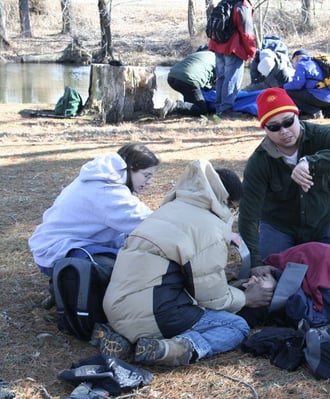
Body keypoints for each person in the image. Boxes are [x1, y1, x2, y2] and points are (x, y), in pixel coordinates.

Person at [101, 160, 274, 366]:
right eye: (234, 208)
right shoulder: (209, 227)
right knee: (236, 327)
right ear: (227, 201)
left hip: (115, 309)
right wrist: (245, 298)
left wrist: (232, 287)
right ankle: (174, 348)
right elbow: (212, 298)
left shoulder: (171, 209)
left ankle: (123, 340)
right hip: (152, 315)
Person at [237, 87, 330, 268]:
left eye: (288, 122)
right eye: (274, 127)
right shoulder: (259, 162)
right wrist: (255, 265)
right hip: (279, 227)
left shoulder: (320, 135)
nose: (284, 131)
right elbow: (248, 216)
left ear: (297, 116)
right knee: (273, 272)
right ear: (265, 129)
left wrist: (311, 162)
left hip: (322, 222)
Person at [28, 143, 159, 278]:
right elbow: (148, 223)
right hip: (59, 251)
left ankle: (68, 287)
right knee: (130, 269)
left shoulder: (102, 179)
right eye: (146, 175)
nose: (149, 182)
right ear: (131, 168)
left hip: (60, 245)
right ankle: (71, 290)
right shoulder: (107, 190)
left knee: (131, 251)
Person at [208, 0, 256, 119]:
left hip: (217, 45)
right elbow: (246, 33)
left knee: (221, 78)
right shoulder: (242, 5)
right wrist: (251, 51)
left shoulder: (224, 2)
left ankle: (219, 108)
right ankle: (226, 110)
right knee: (232, 79)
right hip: (233, 48)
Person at [283, 49, 330, 120]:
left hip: (318, 98)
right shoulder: (316, 62)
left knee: (288, 93)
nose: (293, 65)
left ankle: (308, 114)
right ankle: (329, 111)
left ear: (296, 57)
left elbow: (297, 85)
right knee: (308, 92)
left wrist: (283, 87)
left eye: (292, 61)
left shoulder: (302, 63)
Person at [160, 45, 216, 119]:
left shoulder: (197, 54)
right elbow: (215, 82)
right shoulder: (217, 58)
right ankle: (175, 105)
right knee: (202, 110)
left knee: (191, 101)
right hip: (188, 80)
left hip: (171, 77)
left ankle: (177, 109)